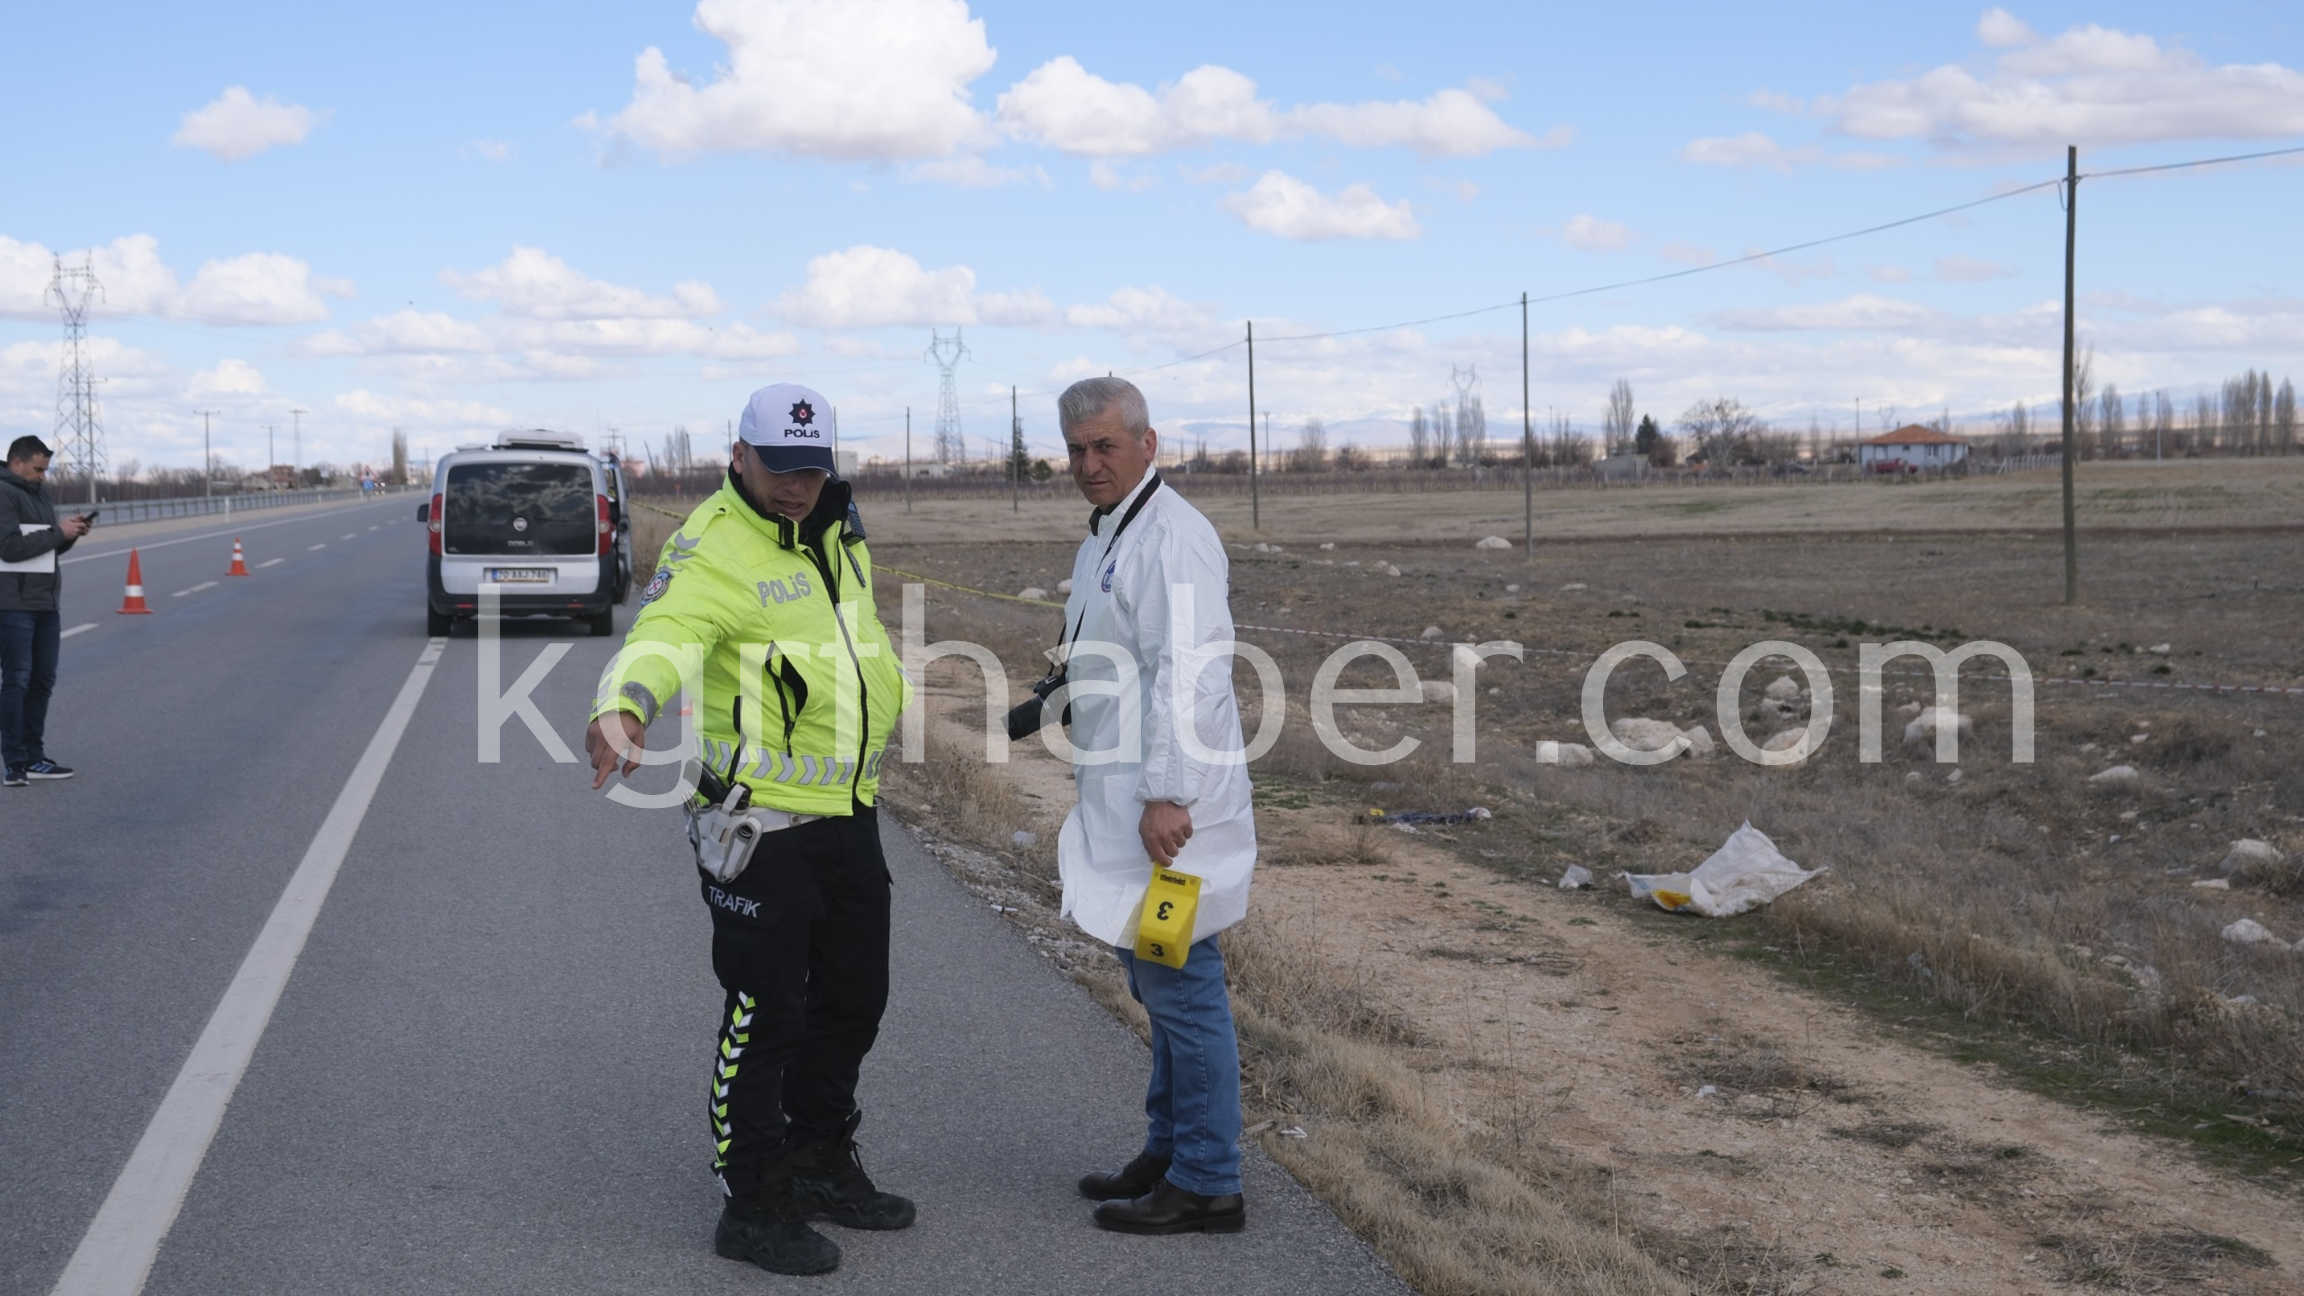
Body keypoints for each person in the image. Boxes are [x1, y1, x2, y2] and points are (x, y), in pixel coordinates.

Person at [583, 382, 915, 1277]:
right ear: (739, 457)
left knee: (854, 1000)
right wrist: (626, 704)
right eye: (780, 469)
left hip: (847, 811)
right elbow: (666, 631)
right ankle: (753, 1202)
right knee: (764, 1014)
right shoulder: (713, 545)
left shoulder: (838, 529)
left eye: (813, 469)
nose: (797, 486)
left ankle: (819, 1161)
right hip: (759, 827)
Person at [1048, 377, 1257, 1234]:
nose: (1089, 464)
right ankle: (1171, 1149)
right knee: (1154, 976)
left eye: (1105, 446)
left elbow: (1192, 672)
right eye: (1077, 450)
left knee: (1182, 983)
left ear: (1148, 443)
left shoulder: (1173, 538)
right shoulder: (1112, 532)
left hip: (1173, 816)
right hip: (1129, 800)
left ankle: (1208, 1180)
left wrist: (1168, 793)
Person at [1, 435, 91, 788]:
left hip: (45, 603)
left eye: (45, 470)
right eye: (38, 469)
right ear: (17, 462)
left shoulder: (39, 494)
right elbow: (9, 548)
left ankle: (35, 756)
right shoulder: (4, 493)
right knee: (17, 680)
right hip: (13, 604)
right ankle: (15, 763)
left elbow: (47, 548)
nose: (43, 475)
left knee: (42, 681)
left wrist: (69, 535)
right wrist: (57, 532)